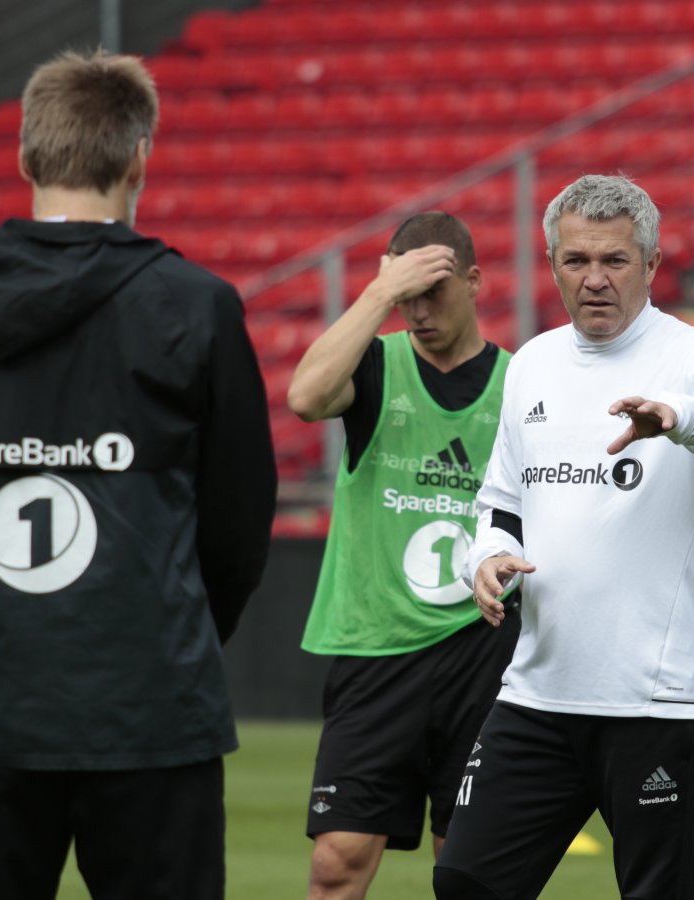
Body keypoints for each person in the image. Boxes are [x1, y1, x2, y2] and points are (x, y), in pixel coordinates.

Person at [0, 49, 276, 900]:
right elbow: (239, 521)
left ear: (25, 157)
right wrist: (168, 631)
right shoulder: (198, 304)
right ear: (140, 157)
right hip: (151, 707)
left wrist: (0, 617)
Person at [433, 175, 694, 900]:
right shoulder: (533, 363)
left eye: (614, 260)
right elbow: (500, 502)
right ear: (552, 264)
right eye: (576, 260)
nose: (595, 279)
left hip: (660, 702)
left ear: (652, 264)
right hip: (539, 691)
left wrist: (679, 419)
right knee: (465, 881)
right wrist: (487, 557)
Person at [288, 212, 517, 899]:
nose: (418, 312)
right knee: (337, 862)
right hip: (377, 649)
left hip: (481, 649)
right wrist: (379, 292)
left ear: (473, 281)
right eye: (405, 297)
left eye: (432, 292)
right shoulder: (374, 363)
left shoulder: (520, 383)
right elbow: (304, 398)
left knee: (468, 867)